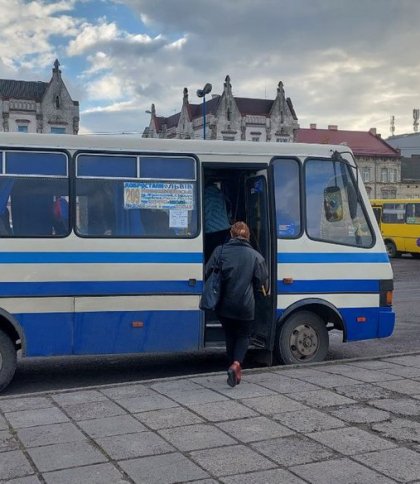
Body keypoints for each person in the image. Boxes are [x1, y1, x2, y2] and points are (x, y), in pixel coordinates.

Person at [205, 221, 268, 387]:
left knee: (230, 335)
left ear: (231, 234)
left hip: (223, 306)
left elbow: (207, 272)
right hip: (246, 307)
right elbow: (262, 283)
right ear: (247, 236)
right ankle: (236, 364)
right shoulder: (256, 256)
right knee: (243, 335)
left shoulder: (220, 251)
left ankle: (232, 365)